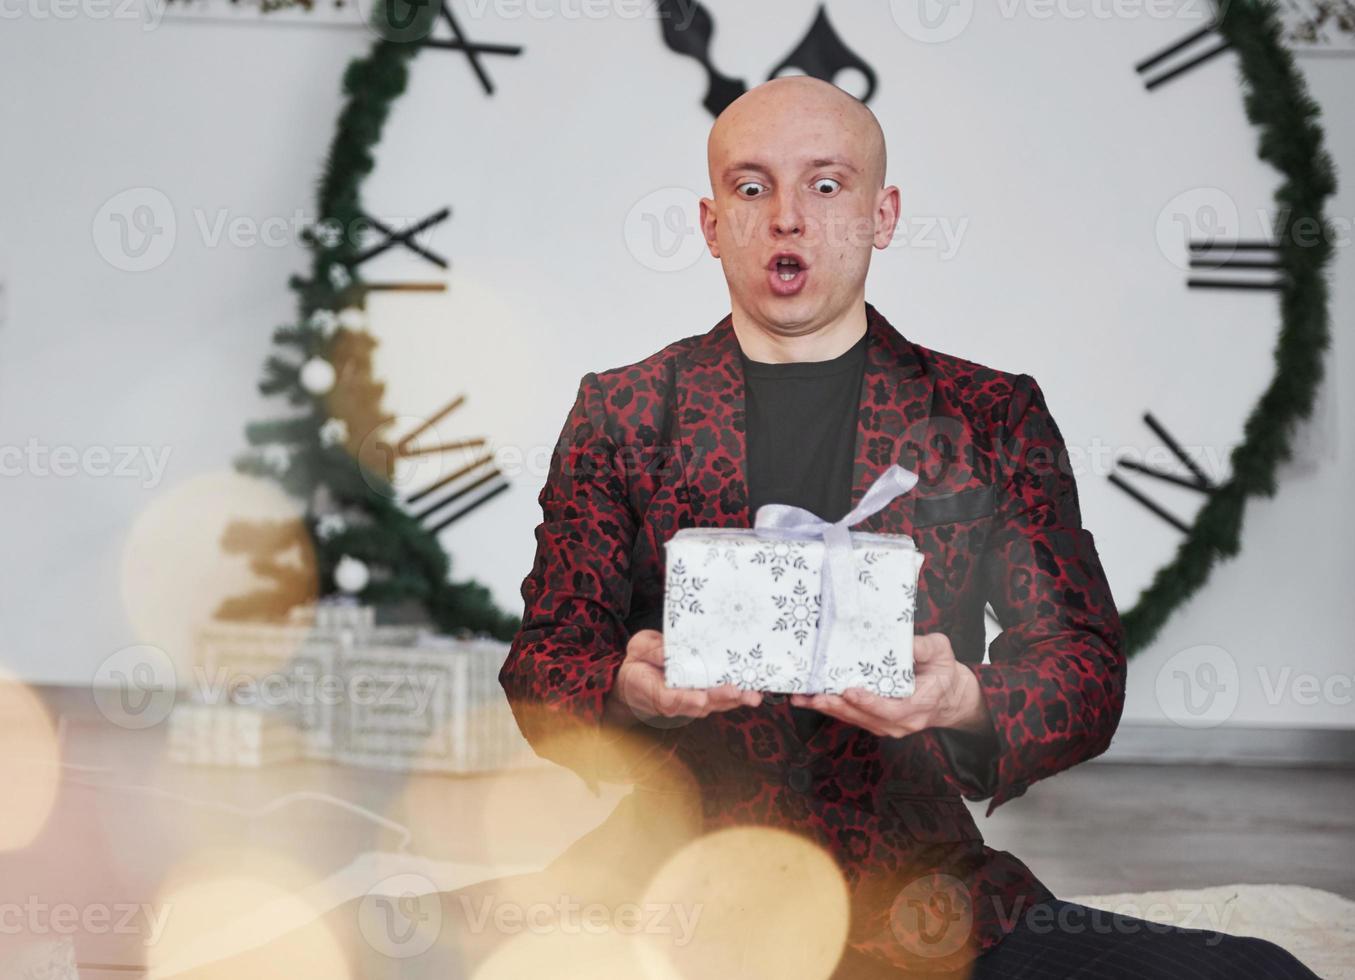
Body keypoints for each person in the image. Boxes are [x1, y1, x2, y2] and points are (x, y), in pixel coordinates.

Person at [488, 76, 1321, 979]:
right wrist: (623, 687)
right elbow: (543, 662)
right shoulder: (622, 412)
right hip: (665, 887)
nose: (787, 219)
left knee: (1257, 973)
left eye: (826, 185)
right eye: (752, 187)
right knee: (357, 942)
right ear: (711, 221)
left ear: (882, 215)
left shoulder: (986, 415)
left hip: (919, 891)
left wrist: (960, 697)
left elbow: (1082, 668)